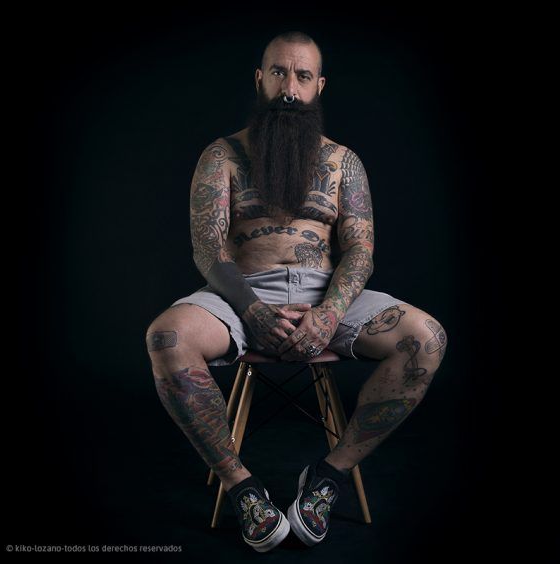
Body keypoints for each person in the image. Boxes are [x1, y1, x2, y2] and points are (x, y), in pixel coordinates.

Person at [146, 31, 448, 553]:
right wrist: (252, 309)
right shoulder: (222, 155)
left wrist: (330, 312)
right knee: (166, 338)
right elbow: (208, 249)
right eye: (279, 73)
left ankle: (328, 478)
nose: (290, 87)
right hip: (240, 294)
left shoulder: (343, 162)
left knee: (428, 339)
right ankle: (243, 488)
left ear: (318, 86)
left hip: (328, 293)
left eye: (302, 76)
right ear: (259, 79)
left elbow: (360, 252)